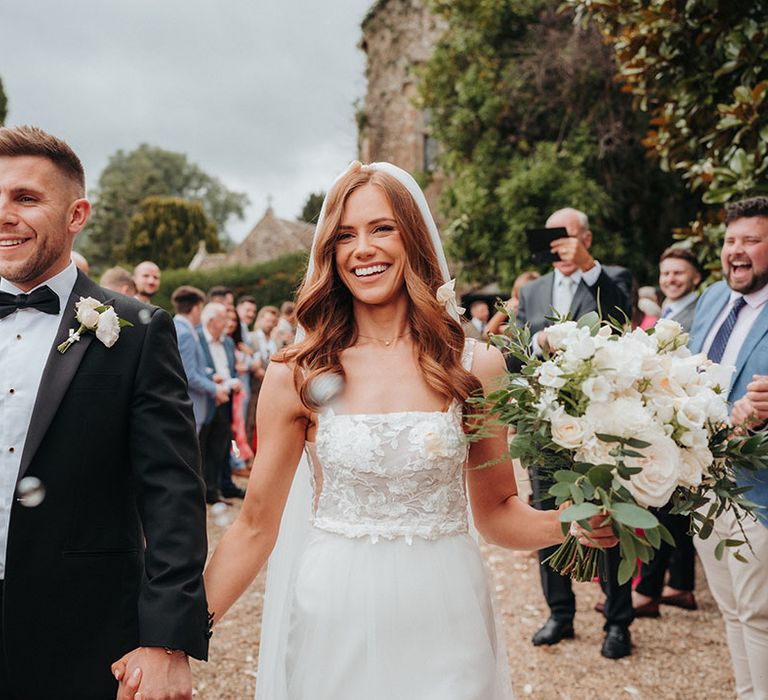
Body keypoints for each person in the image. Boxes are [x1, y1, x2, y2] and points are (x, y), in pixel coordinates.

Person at [199, 162, 617, 699]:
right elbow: (255, 526)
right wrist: (174, 635)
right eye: (345, 235)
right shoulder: (298, 372)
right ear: (329, 252)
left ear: (413, 239)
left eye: (382, 228)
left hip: (446, 609)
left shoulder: (474, 365)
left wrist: (572, 522)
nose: (362, 248)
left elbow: (496, 515)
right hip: (335, 609)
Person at [0, 125, 208, 699]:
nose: (4, 214)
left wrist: (167, 641)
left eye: (26, 198)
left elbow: (172, 491)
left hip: (84, 633)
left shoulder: (138, 332)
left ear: (77, 215)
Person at [515, 207, 635, 659]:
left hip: (602, 423)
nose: (560, 244)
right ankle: (559, 613)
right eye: (553, 237)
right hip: (544, 425)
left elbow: (624, 319)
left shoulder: (612, 277)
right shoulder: (531, 291)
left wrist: (588, 267)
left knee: (606, 518)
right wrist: (536, 343)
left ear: (586, 237)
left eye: (568, 236)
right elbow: (516, 355)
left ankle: (618, 621)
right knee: (548, 513)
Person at [688, 196, 768, 699]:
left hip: (758, 490)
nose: (736, 251)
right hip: (705, 482)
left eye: (752, 241)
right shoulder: (713, 298)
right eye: (730, 241)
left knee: (760, 612)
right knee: (732, 607)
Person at [633, 246, 702, 615]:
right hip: (666, 415)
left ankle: (647, 592)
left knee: (665, 506)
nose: (670, 279)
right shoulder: (668, 312)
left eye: (678, 273)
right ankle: (680, 586)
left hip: (685, 417)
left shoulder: (700, 311)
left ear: (695, 278)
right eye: (665, 273)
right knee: (676, 507)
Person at [198, 302, 243, 503]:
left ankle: (218, 488)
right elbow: (194, 367)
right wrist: (211, 377)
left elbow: (231, 368)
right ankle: (206, 491)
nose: (227, 323)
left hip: (226, 398)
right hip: (206, 400)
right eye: (223, 318)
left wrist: (233, 380)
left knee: (222, 445)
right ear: (211, 321)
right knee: (204, 446)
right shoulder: (197, 338)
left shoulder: (228, 343)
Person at [172, 285, 229, 434]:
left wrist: (210, 376)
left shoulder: (177, 327)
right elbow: (188, 375)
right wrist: (215, 389)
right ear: (196, 308)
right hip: (191, 407)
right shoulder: (185, 333)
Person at [485, 270, 541, 336]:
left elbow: (487, 333)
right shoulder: (522, 323)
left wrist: (505, 309)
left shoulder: (531, 324)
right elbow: (488, 333)